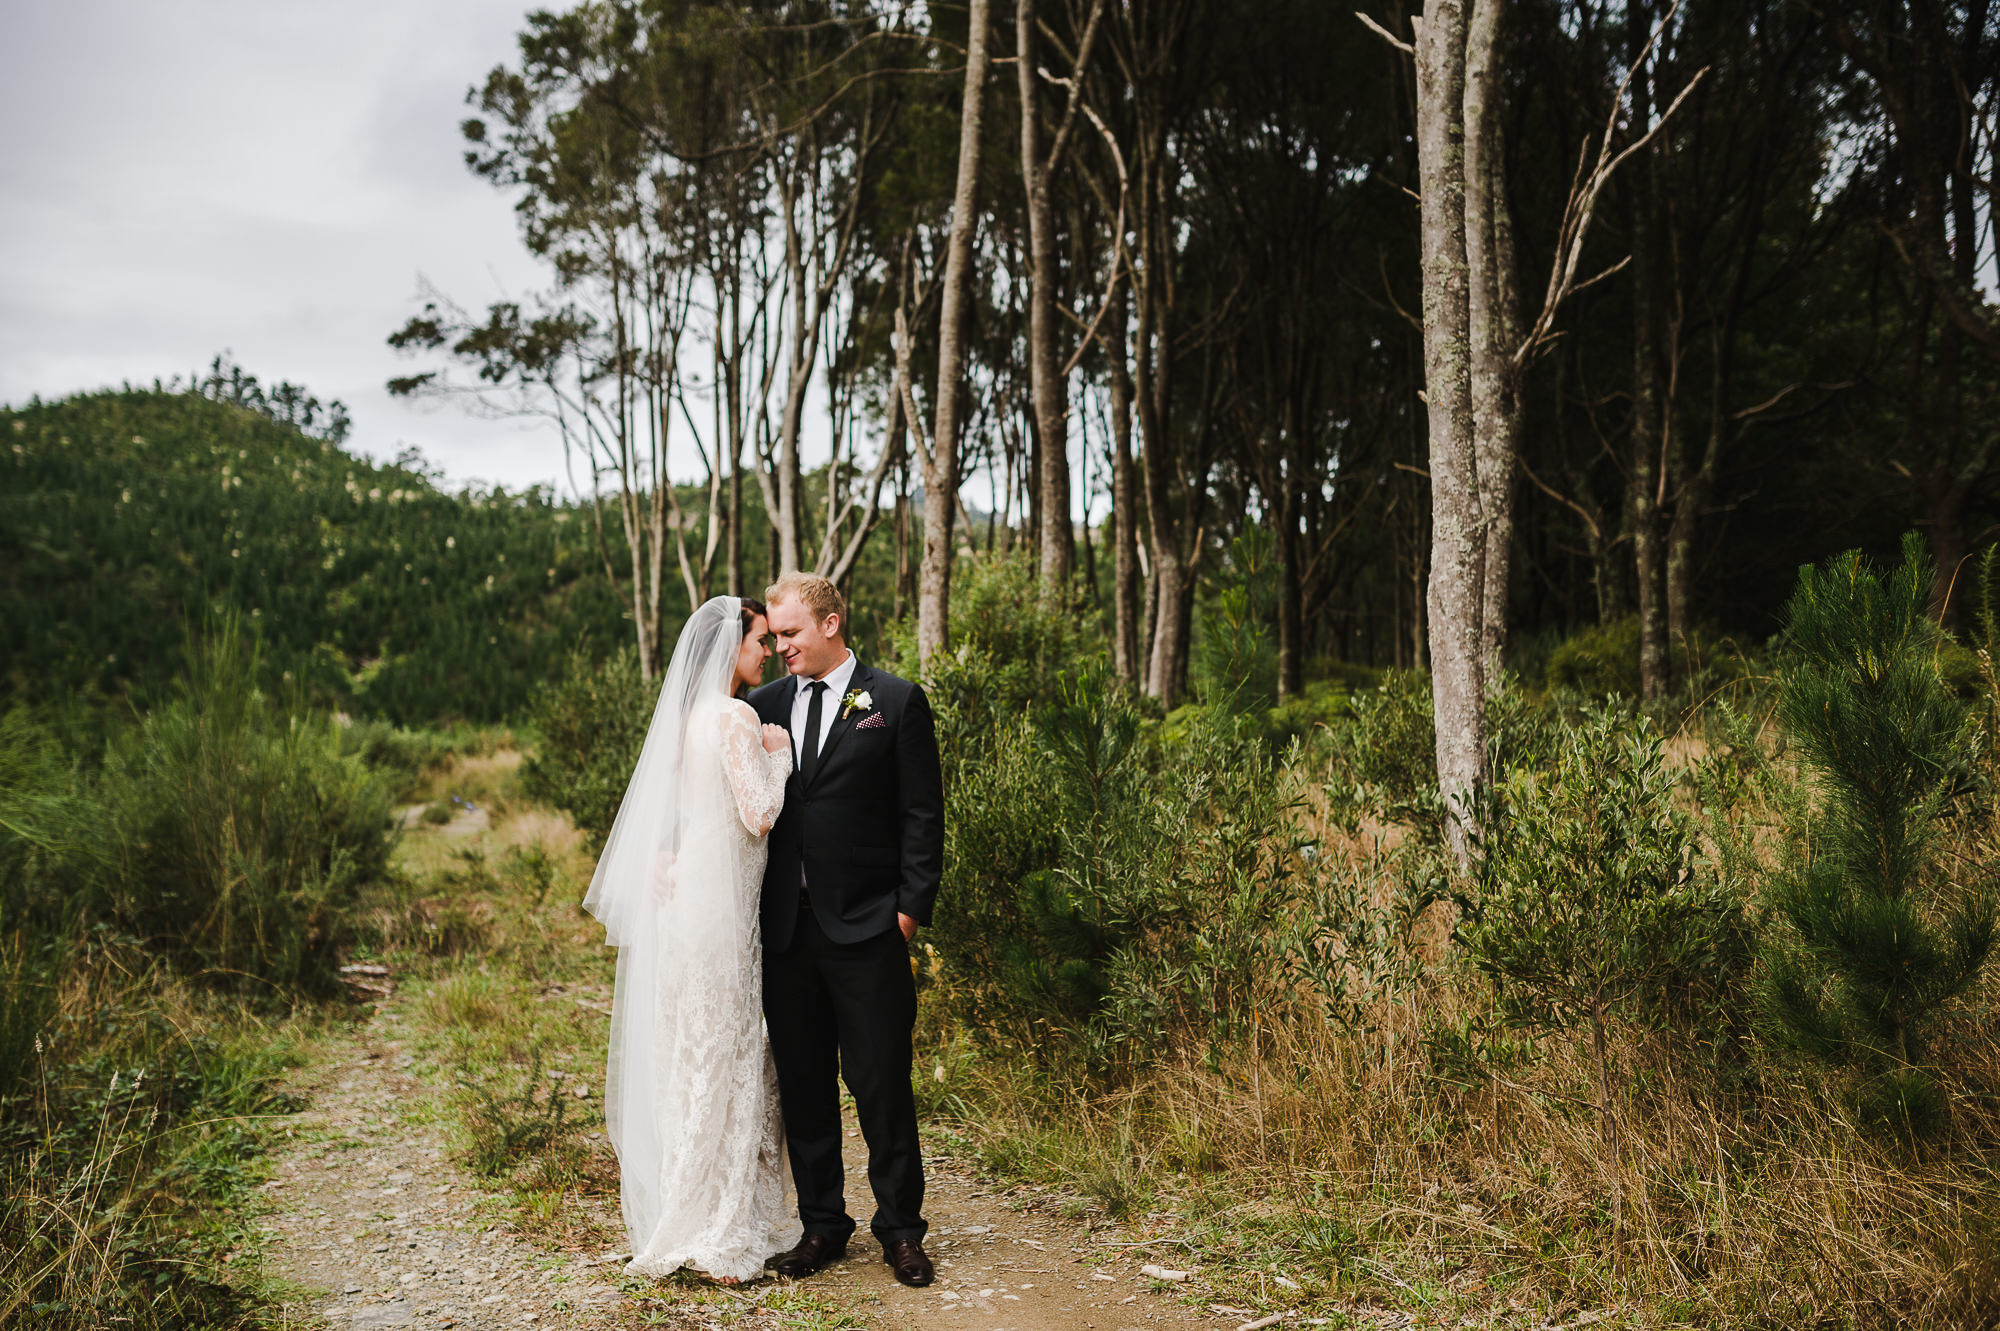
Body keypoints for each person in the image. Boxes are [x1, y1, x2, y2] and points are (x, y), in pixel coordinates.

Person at [582, 596, 799, 1284]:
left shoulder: (681, 724)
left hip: (687, 908)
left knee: (692, 1053)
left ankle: (685, 1201)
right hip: (723, 914)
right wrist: (783, 753)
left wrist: (663, 860)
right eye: (761, 640)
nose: (766, 654)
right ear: (732, 645)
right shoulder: (736, 718)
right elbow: (760, 812)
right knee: (729, 1052)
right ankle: (720, 1221)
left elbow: (676, 820)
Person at [749, 572, 944, 1289]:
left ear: (830, 623)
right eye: (774, 634)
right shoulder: (761, 705)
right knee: (803, 1082)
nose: (781, 646)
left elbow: (923, 814)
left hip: (869, 928)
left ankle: (900, 1229)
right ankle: (822, 1224)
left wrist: (908, 908)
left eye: (792, 632)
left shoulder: (893, 702)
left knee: (881, 1081)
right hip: (787, 933)